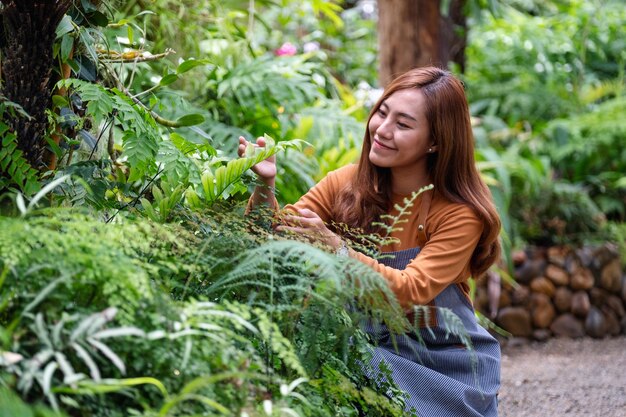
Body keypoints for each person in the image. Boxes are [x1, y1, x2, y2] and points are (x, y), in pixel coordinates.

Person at [238, 66, 501, 417]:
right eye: (382, 112)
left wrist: (337, 249)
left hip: (440, 358)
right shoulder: (345, 183)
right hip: (356, 344)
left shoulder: (458, 213)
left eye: (403, 124)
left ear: (436, 141)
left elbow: (410, 290)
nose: (382, 130)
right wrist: (264, 184)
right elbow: (273, 238)